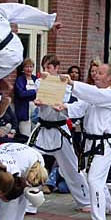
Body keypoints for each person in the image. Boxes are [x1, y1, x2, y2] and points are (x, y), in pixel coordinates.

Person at [60, 63, 111, 220]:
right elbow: (78, 108)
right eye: (95, 73)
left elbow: (93, 94)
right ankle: (107, 205)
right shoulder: (92, 95)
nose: (96, 75)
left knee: (94, 180)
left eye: (100, 73)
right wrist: (61, 107)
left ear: (109, 77)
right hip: (90, 142)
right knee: (94, 178)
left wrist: (72, 83)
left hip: (105, 144)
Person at [29, 54, 91, 212]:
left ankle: (84, 201)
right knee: (31, 163)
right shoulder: (39, 83)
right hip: (42, 129)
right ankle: (29, 203)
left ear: (56, 68)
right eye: (44, 68)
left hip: (60, 130)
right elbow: (38, 99)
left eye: (49, 67)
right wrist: (38, 102)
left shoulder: (67, 86)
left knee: (71, 167)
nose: (46, 71)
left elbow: (73, 107)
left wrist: (63, 106)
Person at [14, 58, 38, 137]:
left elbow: (41, 93)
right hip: (24, 109)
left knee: (36, 132)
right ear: (23, 68)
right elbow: (21, 94)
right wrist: (34, 92)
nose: (29, 69)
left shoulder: (36, 79)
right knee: (25, 133)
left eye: (31, 67)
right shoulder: (19, 80)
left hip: (36, 107)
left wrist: (28, 93)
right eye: (27, 67)